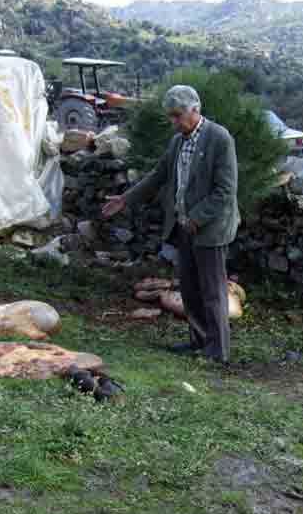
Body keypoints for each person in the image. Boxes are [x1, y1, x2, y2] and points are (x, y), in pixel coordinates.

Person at [101, 85, 240, 363]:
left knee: (212, 292)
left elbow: (225, 190)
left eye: (178, 115)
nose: (173, 122)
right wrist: (126, 199)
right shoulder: (177, 141)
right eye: (171, 116)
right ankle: (199, 341)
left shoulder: (219, 138)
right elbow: (158, 175)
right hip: (182, 226)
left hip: (209, 229)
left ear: (195, 110)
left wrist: (197, 218)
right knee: (189, 287)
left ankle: (218, 352)